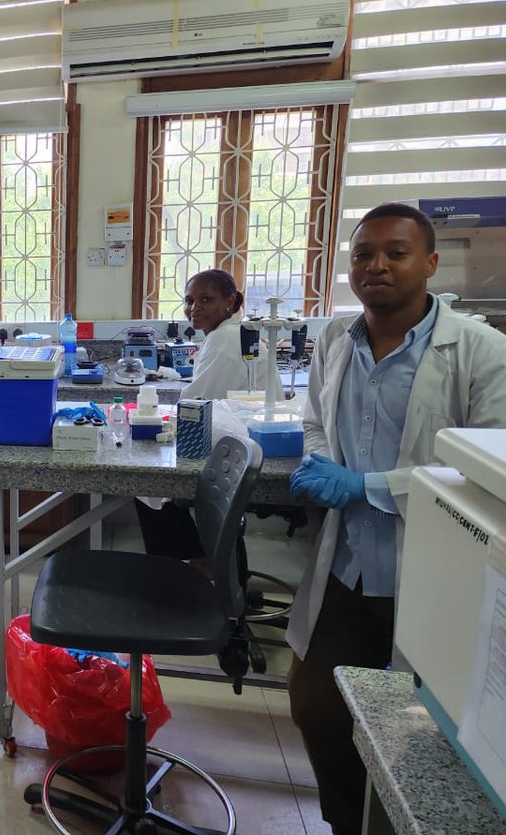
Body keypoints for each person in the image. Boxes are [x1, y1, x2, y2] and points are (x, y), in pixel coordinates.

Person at [286, 203, 506, 835]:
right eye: (362, 254)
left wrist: (365, 484)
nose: (375, 265)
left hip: (436, 571)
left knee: (426, 737)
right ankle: (345, 824)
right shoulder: (334, 338)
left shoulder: (481, 351)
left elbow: (489, 476)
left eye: (395, 253)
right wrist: (322, 459)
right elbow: (312, 420)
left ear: (430, 263)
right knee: (317, 706)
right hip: (347, 567)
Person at [135, 269, 265, 568]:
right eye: (189, 300)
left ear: (230, 301)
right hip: (248, 444)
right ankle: (203, 564)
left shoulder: (223, 340)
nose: (194, 308)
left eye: (206, 300)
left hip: (237, 454)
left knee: (149, 482)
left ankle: (193, 567)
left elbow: (194, 409)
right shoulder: (231, 334)